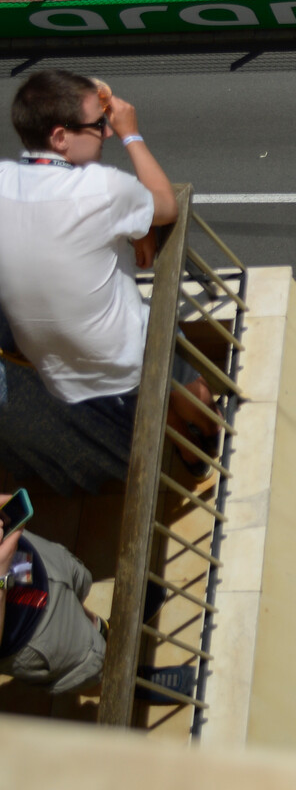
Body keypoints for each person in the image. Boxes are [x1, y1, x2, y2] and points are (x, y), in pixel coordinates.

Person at [0, 70, 220, 484]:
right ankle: (206, 443)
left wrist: (134, 229)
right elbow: (165, 206)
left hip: (53, 365)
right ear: (61, 137)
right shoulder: (102, 187)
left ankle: (190, 454)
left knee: (150, 397)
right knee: (192, 394)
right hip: (122, 352)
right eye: (98, 124)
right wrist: (130, 133)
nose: (105, 130)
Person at [0, 496, 107, 693]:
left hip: (27, 558)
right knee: (92, 663)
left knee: (75, 581)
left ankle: (101, 629)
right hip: (28, 631)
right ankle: (133, 679)